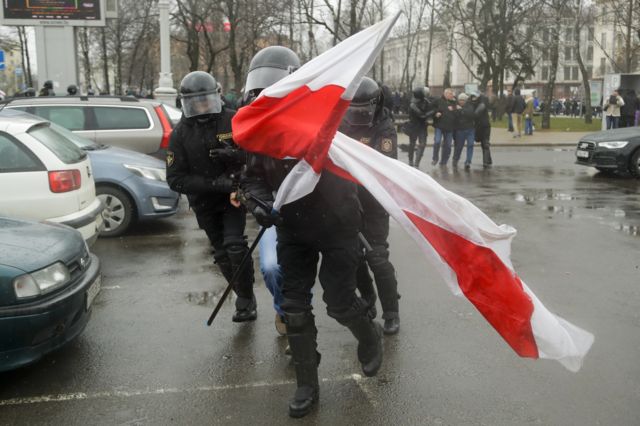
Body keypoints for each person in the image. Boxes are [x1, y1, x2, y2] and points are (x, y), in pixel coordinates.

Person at [239, 80, 383, 420]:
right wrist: (260, 203)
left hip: (338, 226)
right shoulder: (263, 130)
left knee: (340, 303)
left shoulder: (328, 117)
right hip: (293, 229)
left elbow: (356, 161)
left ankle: (368, 335)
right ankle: (307, 383)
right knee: (295, 307)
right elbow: (251, 177)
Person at [166, 71, 257, 323]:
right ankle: (243, 292)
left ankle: (245, 299)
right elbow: (175, 179)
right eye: (195, 101)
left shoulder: (233, 120)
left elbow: (255, 155)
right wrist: (215, 183)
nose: (202, 106)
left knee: (235, 246)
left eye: (205, 100)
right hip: (205, 201)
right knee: (221, 253)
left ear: (215, 97)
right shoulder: (181, 133)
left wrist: (237, 157)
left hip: (233, 198)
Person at [239, 45, 303, 336]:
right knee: (272, 267)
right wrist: (261, 205)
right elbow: (251, 177)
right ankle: (283, 311)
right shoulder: (256, 126)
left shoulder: (309, 121)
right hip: (275, 213)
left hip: (310, 213)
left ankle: (299, 321)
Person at [338, 76, 401, 335]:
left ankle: (391, 312)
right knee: (353, 257)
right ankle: (367, 298)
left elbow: (383, 164)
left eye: (364, 111)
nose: (359, 116)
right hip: (345, 200)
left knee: (377, 257)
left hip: (373, 201)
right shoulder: (341, 120)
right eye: (355, 110)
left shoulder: (385, 127)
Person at [406, 86, 432, 167]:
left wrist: (433, 109)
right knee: (412, 144)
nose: (425, 93)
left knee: (422, 144)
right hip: (414, 126)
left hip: (422, 126)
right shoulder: (412, 104)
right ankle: (410, 160)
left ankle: (417, 162)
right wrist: (432, 112)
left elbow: (430, 107)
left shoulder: (426, 101)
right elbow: (422, 115)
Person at [431, 88, 457, 166]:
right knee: (437, 141)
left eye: (452, 94)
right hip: (439, 125)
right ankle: (435, 158)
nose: (452, 95)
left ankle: (444, 161)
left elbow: (458, 113)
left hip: (450, 127)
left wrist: (454, 109)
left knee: (448, 145)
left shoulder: (454, 102)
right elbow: (431, 109)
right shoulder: (438, 100)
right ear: (445, 94)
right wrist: (435, 113)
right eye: (450, 94)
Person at [452, 93, 476, 170]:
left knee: (470, 144)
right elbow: (454, 115)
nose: (461, 101)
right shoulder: (455, 106)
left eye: (463, 100)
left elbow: (471, 114)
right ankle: (455, 159)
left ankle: (468, 161)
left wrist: (461, 110)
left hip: (470, 129)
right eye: (460, 100)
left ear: (466, 101)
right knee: (459, 146)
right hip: (460, 130)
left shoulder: (469, 106)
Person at [469, 91, 493, 169]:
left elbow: (477, 112)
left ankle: (486, 162)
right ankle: (488, 160)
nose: (474, 98)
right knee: (484, 144)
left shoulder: (482, 102)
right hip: (478, 126)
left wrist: (472, 116)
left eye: (475, 97)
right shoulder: (471, 103)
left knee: (485, 144)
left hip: (484, 126)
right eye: (473, 97)